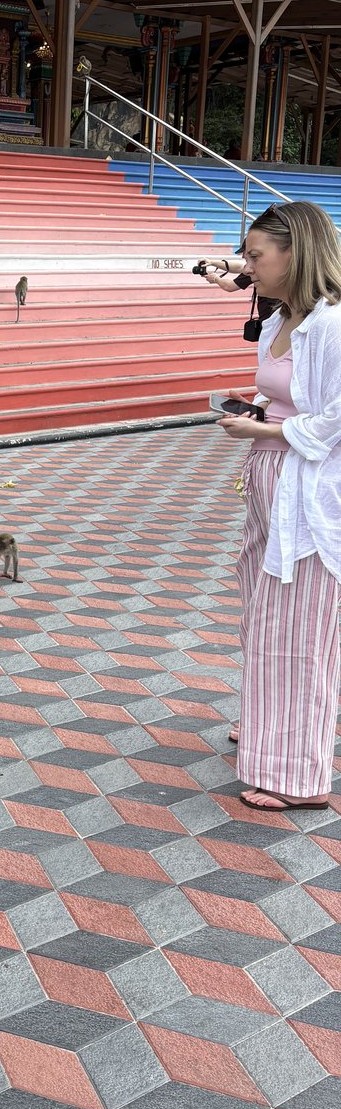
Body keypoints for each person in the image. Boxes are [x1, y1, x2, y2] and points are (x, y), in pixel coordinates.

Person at [216, 201, 341, 811]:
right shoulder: (280, 321)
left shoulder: (334, 325)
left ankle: (301, 774)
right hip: (271, 484)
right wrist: (258, 413)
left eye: (256, 255)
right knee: (265, 615)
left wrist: (265, 432)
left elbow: (334, 419)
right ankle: (270, 730)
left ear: (295, 253)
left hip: (311, 495)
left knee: (301, 626)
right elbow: (292, 402)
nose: (247, 266)